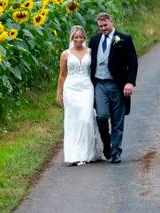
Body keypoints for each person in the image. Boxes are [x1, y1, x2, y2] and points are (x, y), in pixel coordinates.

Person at [88, 12, 138, 163]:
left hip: (117, 85)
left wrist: (130, 82)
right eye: (100, 26)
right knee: (101, 116)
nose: (103, 28)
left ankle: (116, 151)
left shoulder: (124, 39)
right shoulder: (95, 40)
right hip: (100, 84)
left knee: (117, 120)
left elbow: (133, 62)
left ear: (111, 22)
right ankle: (107, 142)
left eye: (105, 25)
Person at [56, 25, 103, 165]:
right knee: (73, 121)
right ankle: (74, 155)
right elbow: (62, 75)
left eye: (81, 37)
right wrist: (59, 93)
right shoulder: (66, 54)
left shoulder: (89, 51)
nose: (78, 39)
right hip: (71, 89)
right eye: (76, 37)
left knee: (86, 119)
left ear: (84, 38)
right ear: (72, 38)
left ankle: (87, 153)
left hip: (87, 88)